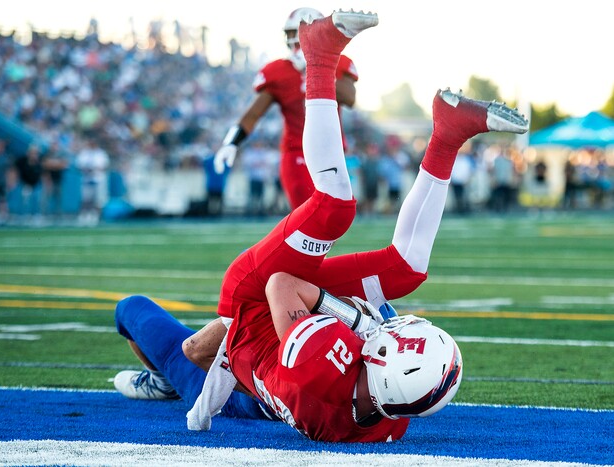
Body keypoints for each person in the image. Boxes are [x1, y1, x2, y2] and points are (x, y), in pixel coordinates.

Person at [113, 10, 528, 442]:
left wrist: (360, 321)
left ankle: (321, 55)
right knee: (407, 268)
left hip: (250, 307)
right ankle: (447, 135)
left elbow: (276, 290)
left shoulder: (322, 363)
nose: (391, 331)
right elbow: (380, 383)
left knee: (332, 209)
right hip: (277, 358)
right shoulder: (389, 418)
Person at [213, 7, 361, 210]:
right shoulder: (278, 71)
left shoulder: (339, 63)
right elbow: (253, 114)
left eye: (299, 33)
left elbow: (350, 98)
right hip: (296, 153)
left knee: (332, 217)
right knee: (309, 216)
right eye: (293, 34)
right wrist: (231, 143)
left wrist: (318, 68)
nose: (296, 39)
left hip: (332, 152)